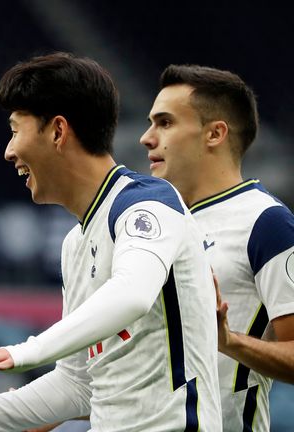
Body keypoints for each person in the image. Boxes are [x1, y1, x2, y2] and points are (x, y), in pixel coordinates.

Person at [0, 52, 221, 431]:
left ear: (57, 131)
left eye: (16, 130)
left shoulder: (146, 203)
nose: (9, 151)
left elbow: (133, 294)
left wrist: (26, 351)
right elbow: (76, 384)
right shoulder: (74, 244)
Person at [139, 64, 294, 431]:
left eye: (165, 123)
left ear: (215, 133)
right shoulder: (153, 223)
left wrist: (229, 342)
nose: (146, 137)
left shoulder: (267, 223)